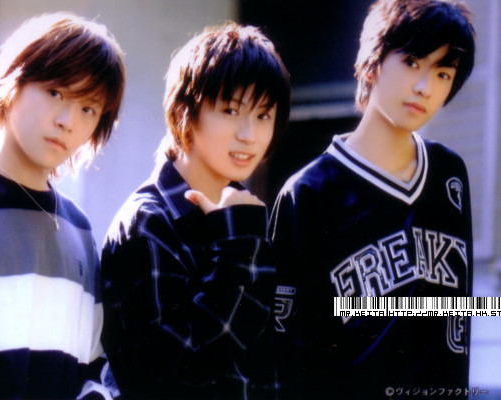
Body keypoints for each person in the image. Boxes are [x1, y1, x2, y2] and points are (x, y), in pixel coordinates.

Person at [269, 0, 475, 399]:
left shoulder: (450, 175)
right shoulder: (308, 193)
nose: (425, 87)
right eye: (412, 62)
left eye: (442, 73)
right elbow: (286, 352)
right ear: (372, 63)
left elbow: (457, 320)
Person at [0, 12, 125, 399]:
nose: (67, 121)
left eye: (88, 108)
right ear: (12, 82)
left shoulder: (79, 230)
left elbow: (92, 369)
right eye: (56, 92)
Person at [101, 22, 290, 400]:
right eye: (230, 110)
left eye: (263, 115)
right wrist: (239, 249)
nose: (249, 135)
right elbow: (184, 371)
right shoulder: (150, 222)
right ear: (185, 111)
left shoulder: (248, 214)